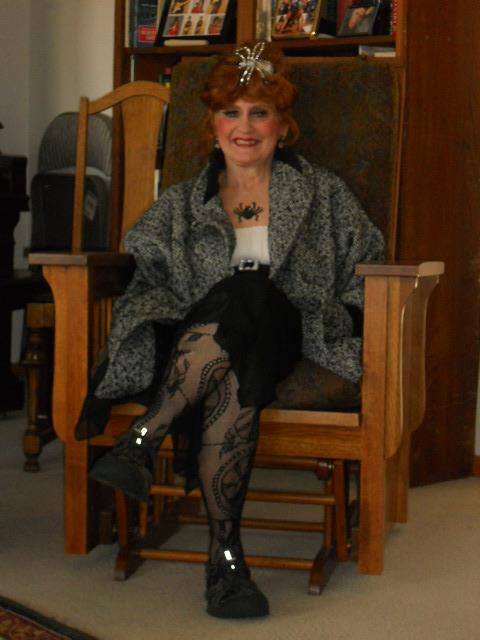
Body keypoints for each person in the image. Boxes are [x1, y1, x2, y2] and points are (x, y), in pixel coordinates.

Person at [85, 41, 384, 619]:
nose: (244, 127)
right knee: (232, 356)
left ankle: (144, 436)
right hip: (208, 350)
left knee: (252, 289)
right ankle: (226, 563)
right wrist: (164, 316)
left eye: (259, 112)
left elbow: (367, 262)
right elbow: (146, 277)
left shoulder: (324, 194)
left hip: (292, 332)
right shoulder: (179, 204)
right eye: (231, 112)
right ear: (213, 124)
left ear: (283, 125)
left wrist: (345, 318)